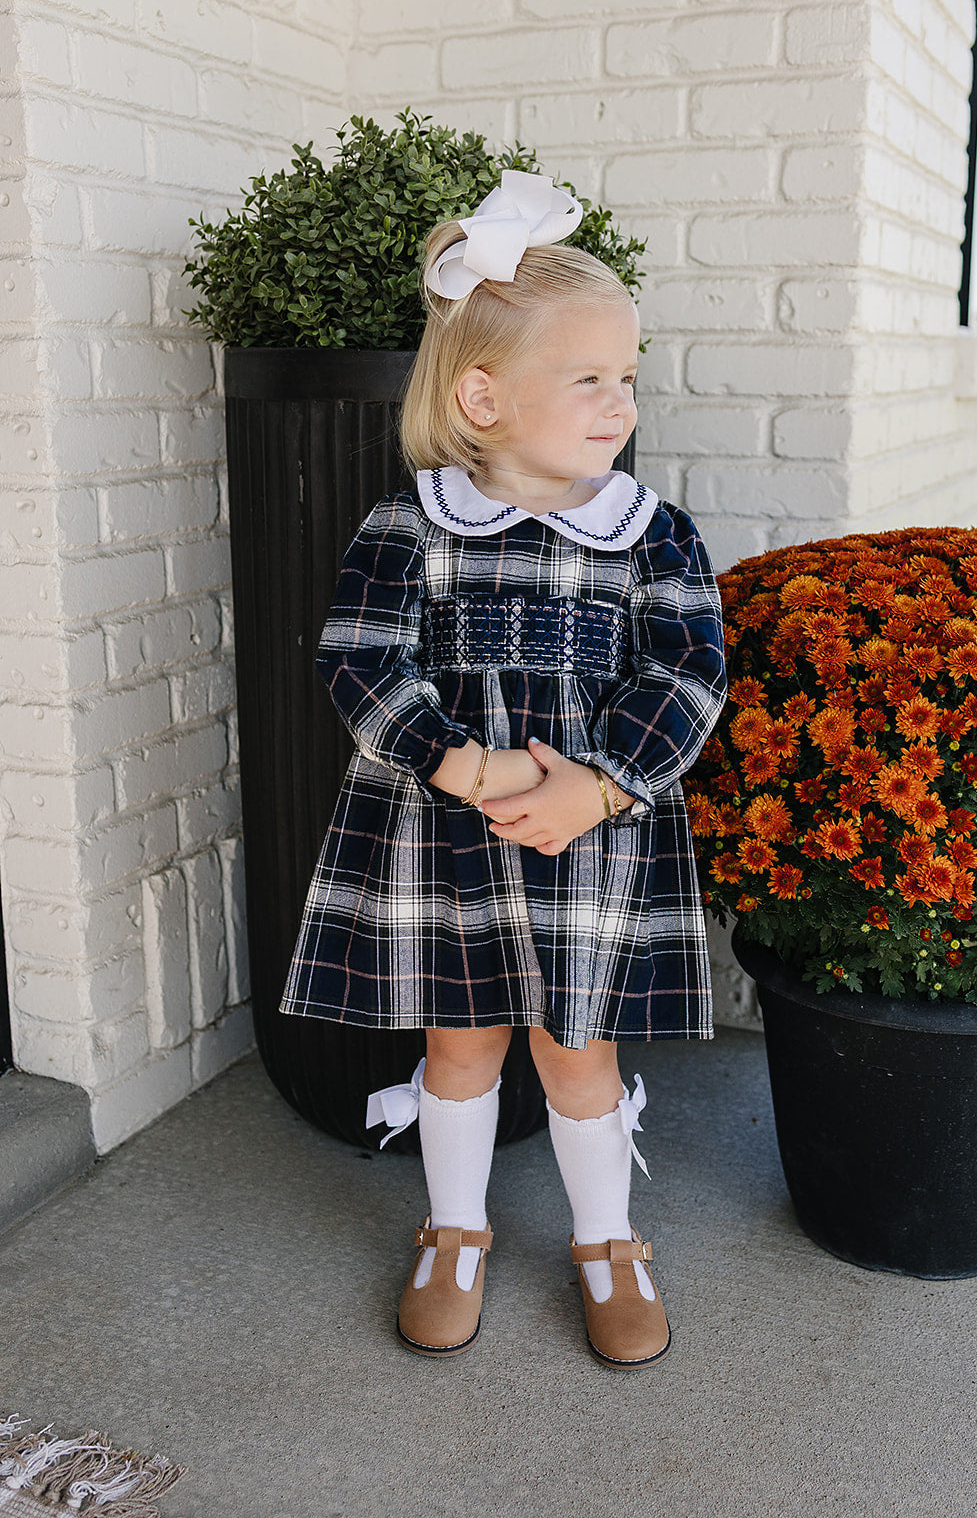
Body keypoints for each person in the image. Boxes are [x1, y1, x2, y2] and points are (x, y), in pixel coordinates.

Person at [280, 170, 727, 1369]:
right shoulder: (410, 525)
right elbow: (359, 657)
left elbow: (689, 672)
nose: (619, 401)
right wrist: (459, 764)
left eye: (627, 375)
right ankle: (455, 1229)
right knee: (461, 1041)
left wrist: (603, 782)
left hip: (590, 835)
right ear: (481, 393)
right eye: (588, 378)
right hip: (442, 830)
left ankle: (606, 1241)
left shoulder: (649, 532)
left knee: (576, 1048)